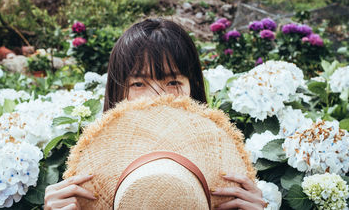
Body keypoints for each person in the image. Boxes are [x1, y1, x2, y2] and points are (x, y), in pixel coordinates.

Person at [44, 18, 266, 210]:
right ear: (117, 89)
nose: (156, 97)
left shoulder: (229, 182)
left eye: (172, 82)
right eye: (138, 83)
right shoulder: (87, 183)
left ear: (194, 86)